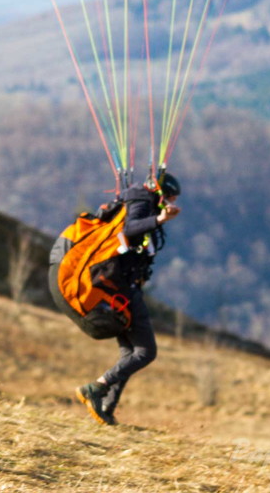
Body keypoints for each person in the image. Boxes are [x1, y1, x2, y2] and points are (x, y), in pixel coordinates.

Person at [75, 172, 181, 425]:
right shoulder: (142, 202)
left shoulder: (135, 199)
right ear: (159, 193)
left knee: (129, 353)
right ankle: (96, 388)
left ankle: (106, 409)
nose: (171, 202)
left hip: (121, 286)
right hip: (124, 287)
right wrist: (159, 219)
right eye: (169, 197)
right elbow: (131, 227)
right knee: (146, 352)